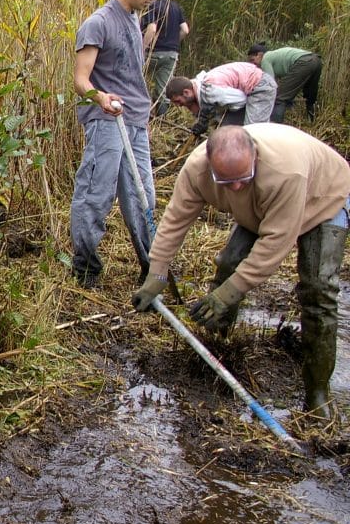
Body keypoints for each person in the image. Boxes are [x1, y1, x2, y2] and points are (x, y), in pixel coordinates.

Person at [133, 124, 350, 420]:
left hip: (323, 197)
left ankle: (317, 395)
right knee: (228, 264)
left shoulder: (286, 171)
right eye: (227, 181)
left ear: (255, 157)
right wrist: (156, 275)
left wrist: (226, 295)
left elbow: (276, 242)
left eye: (242, 179)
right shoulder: (196, 170)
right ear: (211, 167)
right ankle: (218, 348)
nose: (235, 188)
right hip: (261, 204)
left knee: (318, 290)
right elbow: (175, 220)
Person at [70, 0, 166, 289]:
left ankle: (150, 267)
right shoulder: (98, 22)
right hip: (107, 121)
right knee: (95, 196)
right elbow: (81, 80)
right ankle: (85, 269)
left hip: (136, 121)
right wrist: (101, 97)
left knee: (144, 199)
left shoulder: (133, 19)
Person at [165, 62, 277, 138]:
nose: (179, 105)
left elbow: (241, 100)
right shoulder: (197, 87)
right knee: (227, 132)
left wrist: (217, 110)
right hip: (249, 89)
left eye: (178, 101)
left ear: (186, 92)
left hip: (259, 87)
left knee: (252, 134)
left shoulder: (210, 90)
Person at [141, 0, 189, 115]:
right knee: (163, 90)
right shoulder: (175, 7)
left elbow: (152, 29)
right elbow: (185, 30)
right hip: (171, 54)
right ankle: (161, 121)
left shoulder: (152, 6)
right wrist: (173, 43)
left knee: (138, 83)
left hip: (153, 53)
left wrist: (142, 49)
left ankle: (143, 115)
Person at [247, 43, 322, 121]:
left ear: (259, 55)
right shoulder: (275, 57)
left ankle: (275, 126)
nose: (253, 64)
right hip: (316, 60)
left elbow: (270, 84)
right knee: (310, 95)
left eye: (252, 60)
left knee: (280, 98)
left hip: (303, 62)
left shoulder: (265, 59)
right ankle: (312, 120)